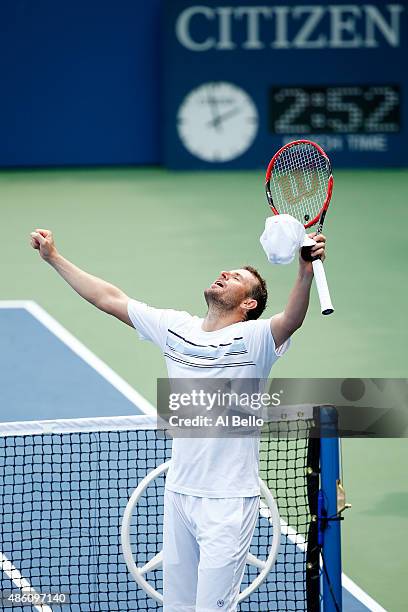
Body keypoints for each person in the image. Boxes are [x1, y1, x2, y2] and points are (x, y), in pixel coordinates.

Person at [30, 228, 326, 612]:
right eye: (225, 271)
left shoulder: (256, 340)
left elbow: (291, 319)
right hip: (179, 494)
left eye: (235, 277)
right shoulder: (175, 328)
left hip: (228, 502)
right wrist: (54, 257)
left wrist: (304, 273)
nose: (224, 274)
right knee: (178, 607)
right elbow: (108, 298)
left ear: (249, 304)